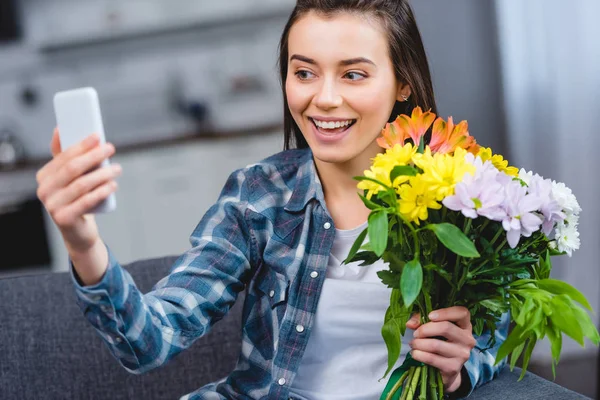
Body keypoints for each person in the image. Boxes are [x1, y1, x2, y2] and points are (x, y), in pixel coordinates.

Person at [35, 1, 508, 399]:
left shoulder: (464, 194)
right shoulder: (258, 196)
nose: (323, 98)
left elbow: (500, 331)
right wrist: (82, 241)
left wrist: (460, 369)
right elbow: (148, 342)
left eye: (353, 75)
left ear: (402, 83)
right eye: (304, 72)